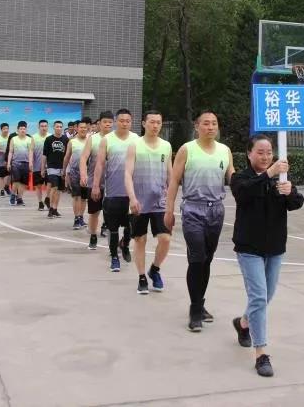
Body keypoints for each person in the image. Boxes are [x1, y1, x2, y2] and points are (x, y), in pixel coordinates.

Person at [230, 135, 304, 377]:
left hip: (275, 247)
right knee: (259, 297)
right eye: (260, 152)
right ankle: (261, 353)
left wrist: (290, 192)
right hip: (249, 248)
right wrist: (269, 173)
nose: (265, 157)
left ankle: (243, 323)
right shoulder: (241, 178)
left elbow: (296, 203)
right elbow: (244, 194)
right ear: (249, 153)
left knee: (266, 295)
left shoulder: (280, 179)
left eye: (269, 152)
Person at [165, 110, 234, 332]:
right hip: (193, 209)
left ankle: (200, 302)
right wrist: (169, 211)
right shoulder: (187, 149)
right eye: (206, 123)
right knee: (196, 258)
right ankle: (195, 310)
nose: (210, 127)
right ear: (197, 126)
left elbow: (233, 178)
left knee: (206, 260)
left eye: (214, 123)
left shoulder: (225, 151)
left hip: (216, 211)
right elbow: (174, 181)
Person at [125, 110, 172, 294]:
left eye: (158, 122)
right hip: (139, 202)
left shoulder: (166, 146)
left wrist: (171, 199)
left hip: (160, 201)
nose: (155, 125)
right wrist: (132, 198)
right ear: (144, 123)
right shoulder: (135, 145)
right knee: (140, 240)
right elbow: (127, 174)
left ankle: (155, 269)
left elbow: (170, 173)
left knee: (165, 239)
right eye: (152, 122)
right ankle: (142, 277)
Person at [92, 108, 139, 272]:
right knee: (113, 229)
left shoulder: (136, 139)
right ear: (116, 122)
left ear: (131, 122)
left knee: (131, 228)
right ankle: (114, 257)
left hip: (132, 193)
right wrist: (96, 185)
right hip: (112, 192)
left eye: (128, 121)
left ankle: (125, 244)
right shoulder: (107, 140)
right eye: (121, 121)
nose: (124, 123)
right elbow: (99, 164)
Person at [80, 111, 114, 250]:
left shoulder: (115, 139)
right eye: (105, 122)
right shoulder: (92, 139)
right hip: (95, 182)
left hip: (112, 183)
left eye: (110, 122)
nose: (108, 124)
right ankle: (93, 235)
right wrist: (83, 175)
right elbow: (83, 158)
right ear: (99, 123)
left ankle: (111, 238)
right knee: (94, 212)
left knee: (111, 212)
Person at [64, 116, 92, 229]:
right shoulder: (72, 142)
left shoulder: (91, 141)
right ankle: (76, 218)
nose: (83, 129)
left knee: (84, 197)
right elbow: (67, 157)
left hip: (87, 172)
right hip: (74, 172)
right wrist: (64, 170)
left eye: (85, 128)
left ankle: (81, 217)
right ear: (77, 128)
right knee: (76, 196)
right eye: (81, 127)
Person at [42, 120, 68, 219]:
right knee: (54, 188)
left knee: (59, 190)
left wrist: (67, 169)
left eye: (60, 127)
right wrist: (42, 168)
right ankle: (50, 209)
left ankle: (55, 209)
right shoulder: (49, 139)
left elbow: (68, 154)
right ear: (53, 127)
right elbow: (44, 155)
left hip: (62, 168)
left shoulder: (66, 139)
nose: (59, 128)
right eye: (57, 126)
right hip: (52, 167)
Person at [7, 121, 33, 206]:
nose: (22, 130)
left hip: (26, 163)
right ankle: (13, 195)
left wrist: (30, 163)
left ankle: (19, 198)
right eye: (21, 129)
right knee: (16, 180)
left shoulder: (29, 139)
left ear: (26, 130)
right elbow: (10, 152)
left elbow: (30, 152)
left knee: (23, 182)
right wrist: (8, 163)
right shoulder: (13, 139)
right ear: (18, 130)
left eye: (24, 129)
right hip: (15, 163)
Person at [32, 120, 49, 211]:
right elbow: (31, 151)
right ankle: (40, 202)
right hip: (37, 166)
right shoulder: (34, 137)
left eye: (45, 126)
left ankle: (47, 199)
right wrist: (30, 162)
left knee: (50, 185)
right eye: (42, 126)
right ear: (39, 127)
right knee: (38, 185)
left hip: (49, 167)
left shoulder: (50, 137)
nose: (44, 128)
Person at [0, 123, 11, 196]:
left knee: (9, 174)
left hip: (9, 159)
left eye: (7, 128)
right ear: (1, 130)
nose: (6, 130)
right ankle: (2, 190)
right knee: (1, 176)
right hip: (0, 158)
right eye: (4, 129)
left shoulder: (10, 137)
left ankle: (7, 186)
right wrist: (3, 151)